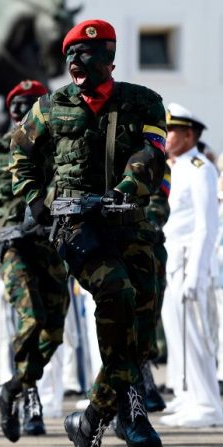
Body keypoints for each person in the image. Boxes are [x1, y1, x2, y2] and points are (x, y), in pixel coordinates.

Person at [10, 19, 165, 446]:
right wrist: (35, 201)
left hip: (129, 223)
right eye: (70, 55)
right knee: (117, 294)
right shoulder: (50, 106)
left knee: (143, 328)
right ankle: (133, 414)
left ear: (109, 58)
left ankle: (93, 416)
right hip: (77, 227)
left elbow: (150, 155)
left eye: (86, 54)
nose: (76, 61)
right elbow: (18, 152)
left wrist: (123, 191)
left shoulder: (144, 102)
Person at [0, 80, 70, 441]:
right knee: (31, 317)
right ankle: (29, 400)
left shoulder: (59, 146)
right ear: (9, 111)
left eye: (31, 103)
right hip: (13, 246)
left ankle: (15, 386)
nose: (23, 110)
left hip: (51, 245)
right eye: (17, 105)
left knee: (54, 329)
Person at [158, 103, 223, 428]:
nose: (166, 136)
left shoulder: (200, 168)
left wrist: (197, 273)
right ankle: (187, 395)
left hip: (190, 262)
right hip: (172, 262)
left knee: (196, 335)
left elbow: (206, 225)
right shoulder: (173, 167)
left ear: (188, 134)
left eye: (171, 130)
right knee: (178, 333)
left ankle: (208, 405)